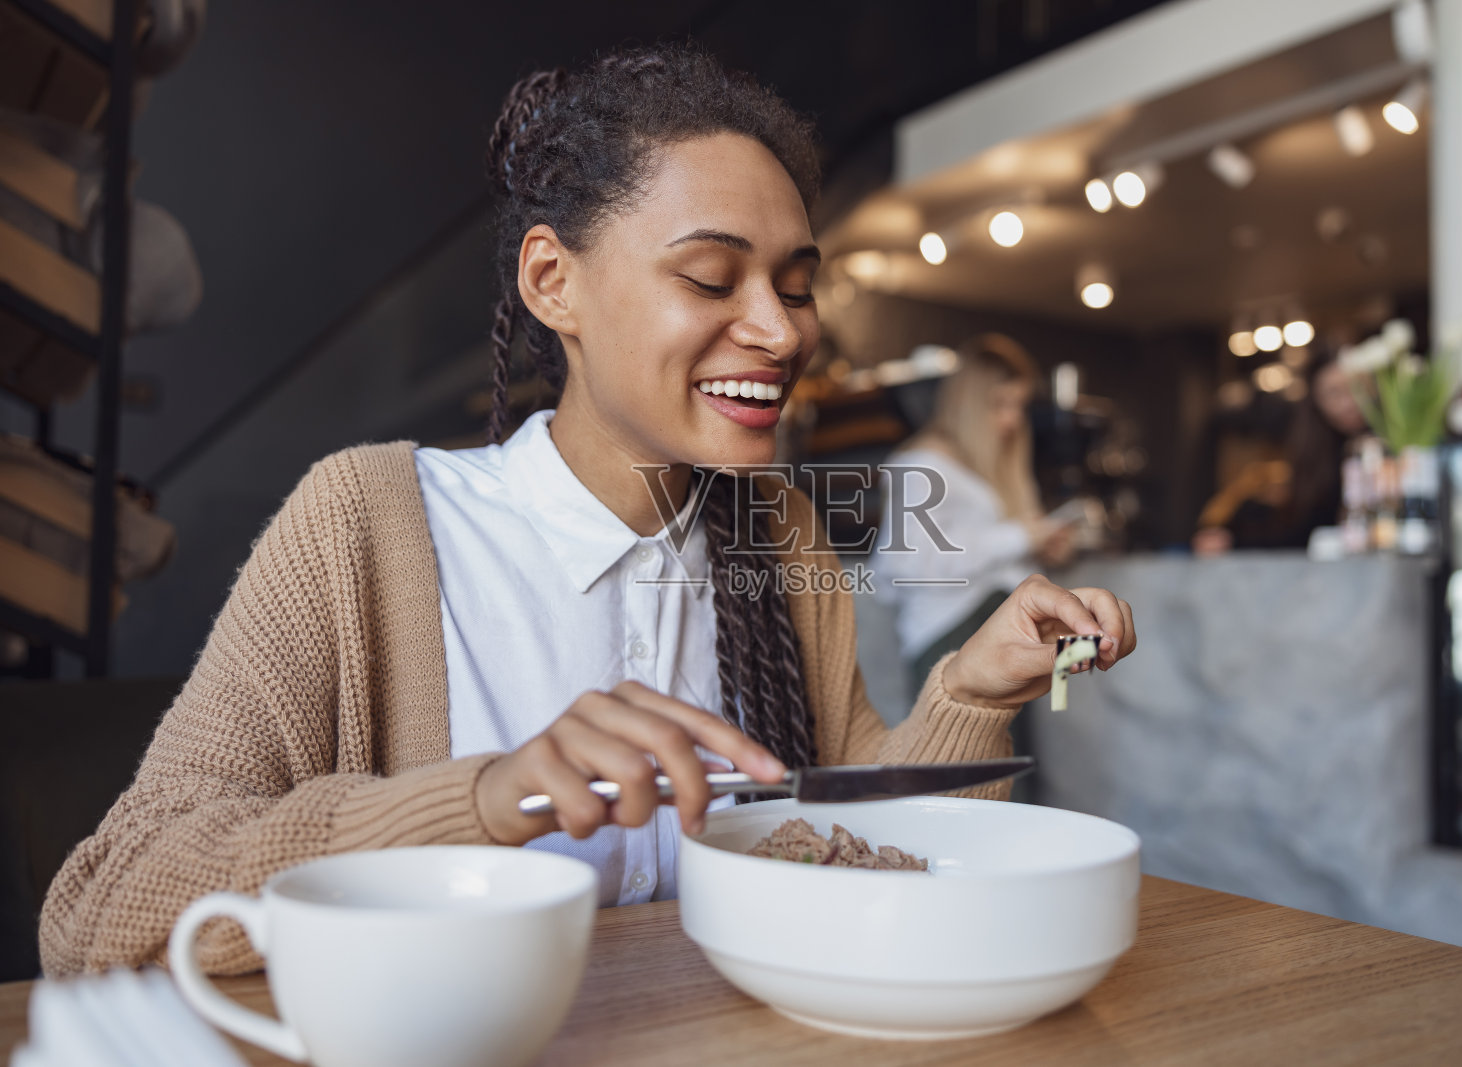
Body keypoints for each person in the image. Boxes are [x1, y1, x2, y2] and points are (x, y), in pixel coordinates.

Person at [39, 44, 1135, 977]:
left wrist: (971, 691)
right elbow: (104, 910)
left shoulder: (777, 531)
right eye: (712, 277)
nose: (781, 329)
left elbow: (859, 855)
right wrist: (483, 801)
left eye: (796, 286)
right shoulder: (368, 518)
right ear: (552, 282)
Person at [873, 334, 1075, 684]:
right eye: (1000, 404)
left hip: (1004, 632)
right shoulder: (920, 465)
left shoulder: (1001, 464)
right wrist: (1018, 537)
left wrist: (1043, 549)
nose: (1012, 420)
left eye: (1019, 406)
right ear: (969, 402)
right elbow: (904, 566)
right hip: (948, 638)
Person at [1193, 353, 1365, 554]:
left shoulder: (1393, 442)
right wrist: (1233, 540)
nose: (1348, 402)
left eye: (1356, 388)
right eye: (1334, 393)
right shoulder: (1317, 457)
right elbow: (1301, 529)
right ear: (1317, 400)